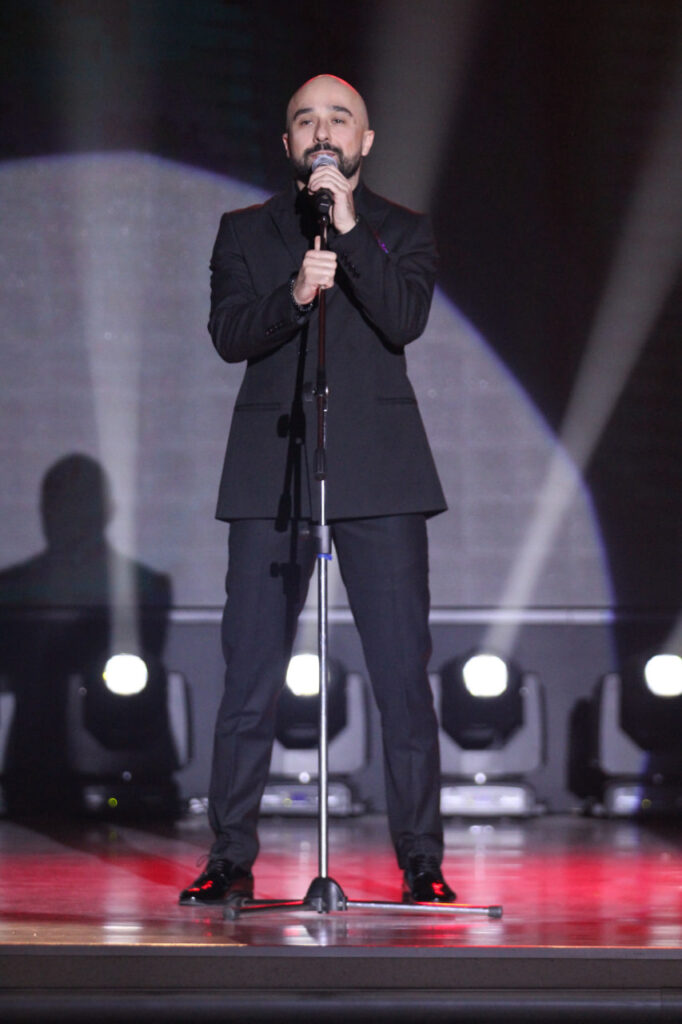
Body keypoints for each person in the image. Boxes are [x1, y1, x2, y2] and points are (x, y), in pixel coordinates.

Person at [180, 74, 455, 906]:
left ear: (364, 142)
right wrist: (296, 293)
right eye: (306, 120)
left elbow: (404, 318)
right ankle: (230, 855)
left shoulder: (399, 231)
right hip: (272, 472)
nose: (322, 131)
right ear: (288, 143)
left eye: (339, 119)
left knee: (402, 677)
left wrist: (350, 228)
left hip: (381, 474)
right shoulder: (246, 231)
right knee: (250, 676)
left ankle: (421, 860)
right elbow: (229, 333)